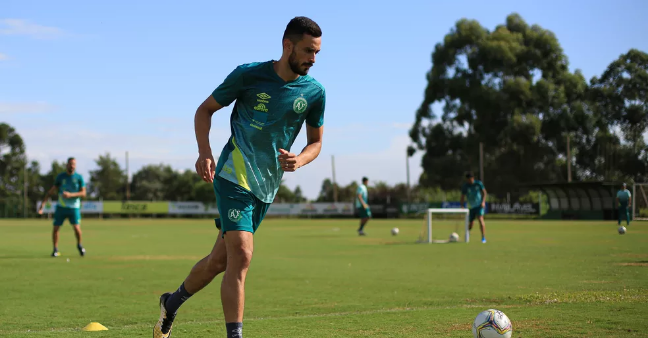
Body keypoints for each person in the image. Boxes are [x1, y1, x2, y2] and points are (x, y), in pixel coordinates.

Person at [153, 16, 325, 338]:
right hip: (233, 175)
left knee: (219, 261)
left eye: (316, 53)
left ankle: (171, 303)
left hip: (266, 187)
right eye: (307, 51)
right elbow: (204, 110)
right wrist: (204, 152)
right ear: (287, 45)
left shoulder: (314, 93)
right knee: (243, 253)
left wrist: (299, 159)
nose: (312, 60)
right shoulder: (249, 75)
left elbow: (316, 142)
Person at [37, 157, 86, 257]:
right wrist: (42, 205)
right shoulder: (61, 177)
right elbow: (51, 191)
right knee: (55, 228)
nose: (72, 166)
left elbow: (83, 193)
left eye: (74, 164)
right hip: (61, 207)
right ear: (67, 165)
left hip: (74, 207)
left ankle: (79, 245)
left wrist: (70, 195)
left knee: (77, 229)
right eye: (70, 164)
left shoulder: (79, 178)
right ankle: (55, 249)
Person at [460, 172, 487, 243]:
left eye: (470, 179)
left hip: (479, 205)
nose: (469, 181)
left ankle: (483, 237)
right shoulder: (465, 186)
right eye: (468, 180)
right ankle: (467, 234)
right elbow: (462, 196)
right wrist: (462, 205)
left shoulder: (478, 184)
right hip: (471, 206)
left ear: (473, 178)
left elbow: (484, 192)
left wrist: (483, 201)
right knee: (471, 223)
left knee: (480, 220)